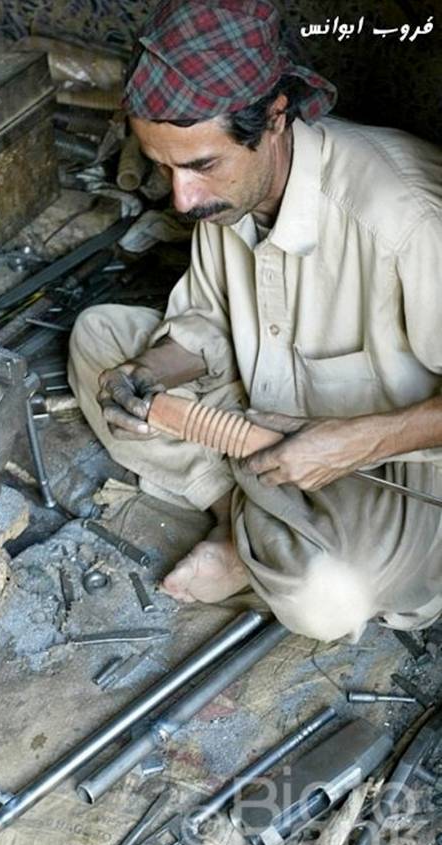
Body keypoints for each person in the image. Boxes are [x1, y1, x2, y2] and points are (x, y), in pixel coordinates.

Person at [68, 0, 442, 642]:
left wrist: (352, 443)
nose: (182, 198)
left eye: (201, 165)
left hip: (390, 466)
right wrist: (150, 372)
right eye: (163, 167)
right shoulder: (224, 198)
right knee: (97, 340)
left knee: (327, 598)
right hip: (264, 411)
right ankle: (237, 521)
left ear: (274, 118)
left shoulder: (404, 218)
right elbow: (209, 324)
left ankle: (255, 541)